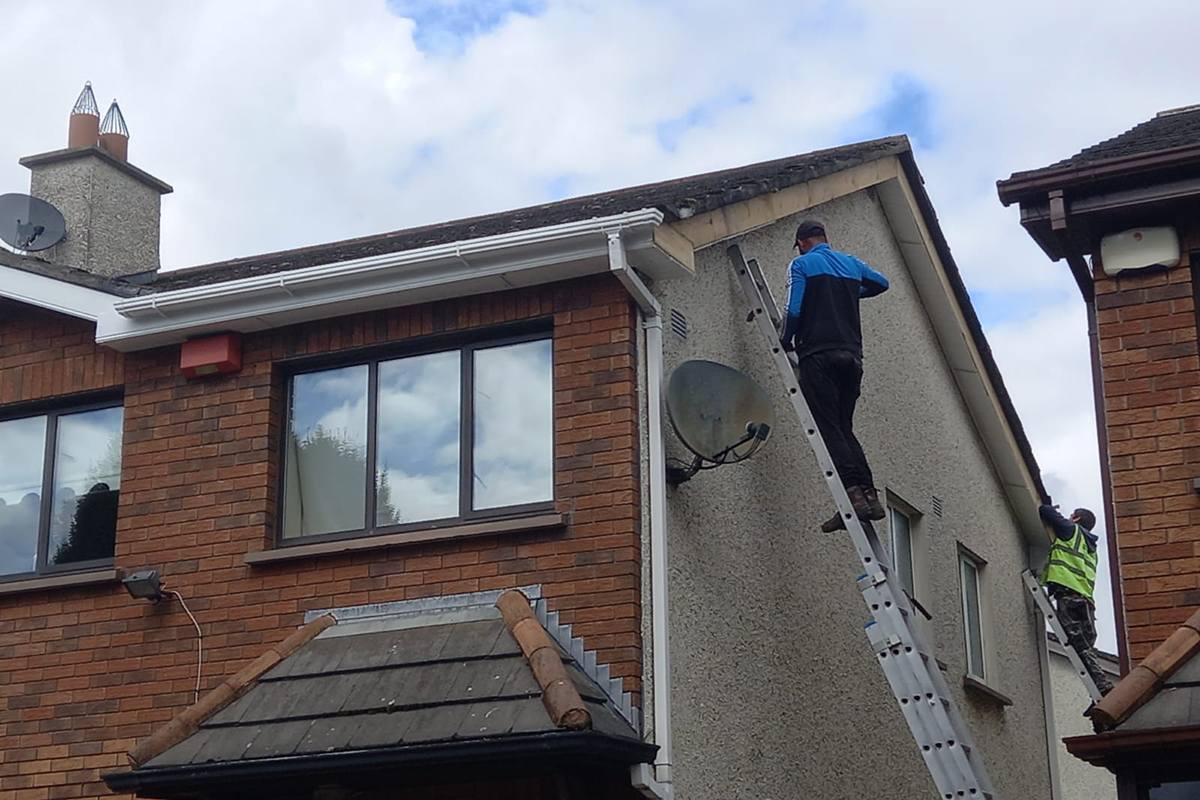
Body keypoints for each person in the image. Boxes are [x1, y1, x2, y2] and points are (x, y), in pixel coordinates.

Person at [780, 220, 889, 532]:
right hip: (852, 357)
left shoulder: (801, 263)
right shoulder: (851, 263)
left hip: (820, 356)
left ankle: (852, 497)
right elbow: (882, 283)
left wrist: (786, 340)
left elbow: (794, 310)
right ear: (825, 238)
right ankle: (869, 495)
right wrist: (850, 293)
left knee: (829, 429)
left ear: (801, 242)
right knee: (844, 427)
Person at [1038, 504, 1115, 696]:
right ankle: (1096, 692)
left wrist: (1057, 512)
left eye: (1072, 515)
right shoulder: (1092, 549)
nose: (1069, 517)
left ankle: (1103, 685)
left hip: (1068, 594)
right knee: (1086, 647)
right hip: (1086, 602)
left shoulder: (1071, 530)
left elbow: (1045, 510)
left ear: (1077, 519)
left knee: (1078, 644)